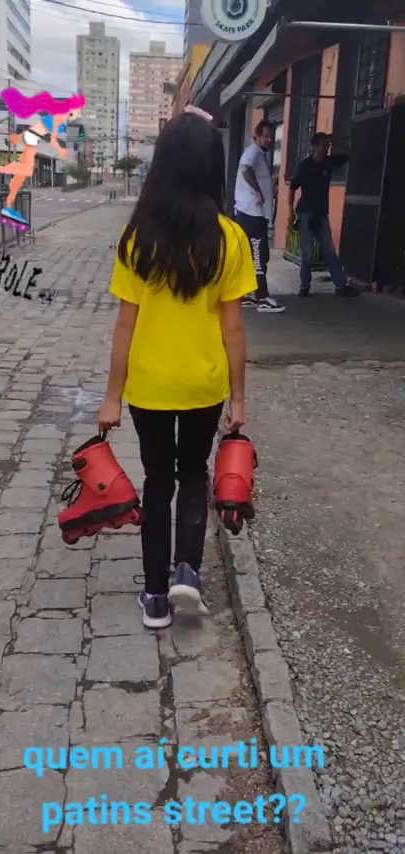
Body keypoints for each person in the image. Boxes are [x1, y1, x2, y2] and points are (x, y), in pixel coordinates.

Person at [97, 111, 257, 630]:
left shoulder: (137, 237)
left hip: (149, 384)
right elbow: (233, 327)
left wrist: (112, 396)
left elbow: (126, 325)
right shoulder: (231, 238)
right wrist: (238, 397)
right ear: (213, 165)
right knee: (193, 474)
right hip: (204, 383)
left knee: (157, 480)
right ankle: (187, 571)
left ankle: (155, 596)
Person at [0, 88, 85, 225]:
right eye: (78, 110)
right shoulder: (59, 117)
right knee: (26, 170)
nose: (78, 114)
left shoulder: (60, 118)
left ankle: (8, 206)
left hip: (31, 137)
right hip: (32, 138)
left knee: (19, 178)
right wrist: (61, 150)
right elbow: (53, 139)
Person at [289, 132, 360, 297]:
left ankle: (340, 286)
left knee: (329, 250)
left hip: (321, 213)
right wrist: (291, 211)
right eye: (323, 145)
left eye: (327, 146)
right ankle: (304, 285)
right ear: (314, 146)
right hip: (306, 212)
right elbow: (292, 188)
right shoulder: (305, 166)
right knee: (307, 252)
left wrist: (336, 141)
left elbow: (348, 154)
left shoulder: (328, 162)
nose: (326, 148)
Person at [234, 119, 285, 313]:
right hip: (252, 214)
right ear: (256, 136)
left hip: (253, 214)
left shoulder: (258, 154)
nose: (269, 140)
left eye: (271, 136)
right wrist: (258, 191)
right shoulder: (253, 152)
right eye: (265, 136)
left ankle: (251, 294)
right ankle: (262, 297)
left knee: (254, 255)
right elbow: (245, 169)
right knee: (259, 255)